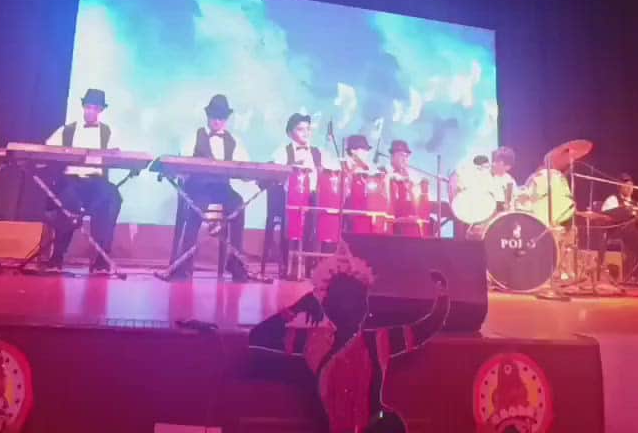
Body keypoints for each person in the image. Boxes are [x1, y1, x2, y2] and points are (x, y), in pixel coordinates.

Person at [249, 242, 449, 433]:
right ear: (328, 306)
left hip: (374, 428)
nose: (356, 308)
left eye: (360, 301)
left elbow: (425, 328)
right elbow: (259, 336)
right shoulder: (314, 341)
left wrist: (442, 294)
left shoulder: (375, 341)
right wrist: (298, 307)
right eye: (346, 300)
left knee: (389, 422)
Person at [161, 94, 259, 282]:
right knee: (197, 205)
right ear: (208, 116)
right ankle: (184, 264)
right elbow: (182, 164)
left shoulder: (234, 141)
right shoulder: (193, 136)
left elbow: (245, 167)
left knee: (237, 204)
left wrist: (254, 175)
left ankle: (236, 263)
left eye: (221, 117)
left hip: (221, 188)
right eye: (214, 116)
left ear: (226, 119)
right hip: (197, 187)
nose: (217, 120)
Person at [41, 88, 122, 273]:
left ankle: (101, 260)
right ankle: (57, 257)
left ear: (101, 110)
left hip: (96, 182)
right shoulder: (67, 130)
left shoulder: (108, 132)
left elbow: (116, 155)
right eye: (88, 107)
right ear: (83, 107)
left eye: (95, 108)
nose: (90, 111)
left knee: (111, 198)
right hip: (71, 179)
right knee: (67, 201)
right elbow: (47, 149)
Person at [265, 112, 336, 278]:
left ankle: (314, 265)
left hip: (314, 197)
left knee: (323, 212)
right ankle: (289, 263)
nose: (305, 133)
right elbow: (272, 171)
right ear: (290, 133)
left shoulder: (318, 153)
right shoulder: (282, 151)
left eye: (308, 129)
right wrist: (290, 167)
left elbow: (331, 172)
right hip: (289, 197)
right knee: (292, 217)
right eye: (300, 129)